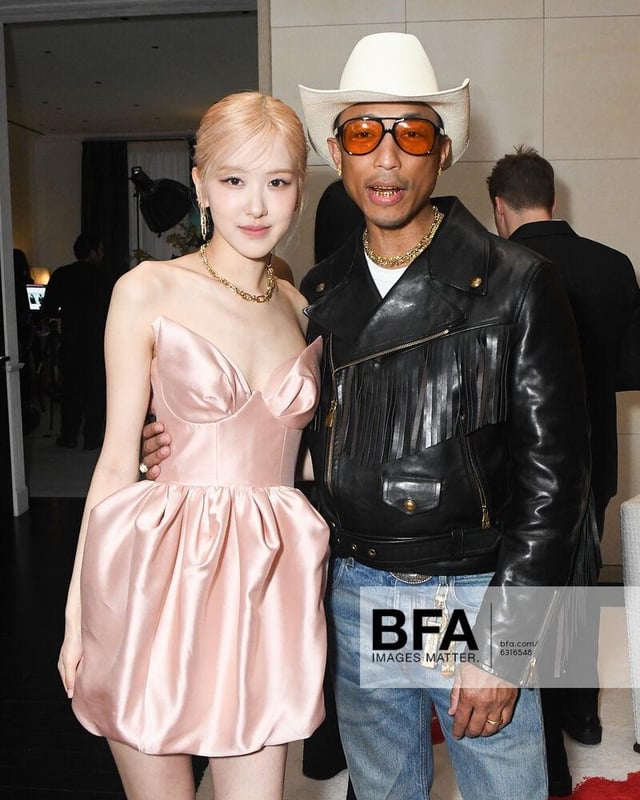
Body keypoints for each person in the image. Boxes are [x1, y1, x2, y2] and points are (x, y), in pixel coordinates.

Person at [142, 34, 593, 799]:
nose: (387, 159)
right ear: (336, 152)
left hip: (468, 594)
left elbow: (558, 483)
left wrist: (508, 643)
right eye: (363, 134)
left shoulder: (515, 282)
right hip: (355, 589)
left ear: (441, 152)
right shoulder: (318, 294)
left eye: (411, 133)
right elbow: (296, 439)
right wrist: (182, 446)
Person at [58, 91, 329, 800]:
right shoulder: (146, 289)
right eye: (234, 180)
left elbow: (298, 454)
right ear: (201, 183)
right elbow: (115, 462)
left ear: (300, 190)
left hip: (267, 584)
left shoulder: (301, 307)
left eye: (277, 181)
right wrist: (76, 611)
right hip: (156, 578)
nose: (256, 205)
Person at [487, 145, 640, 795]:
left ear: (500, 206)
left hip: (520, 462)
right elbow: (632, 370)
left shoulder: (496, 267)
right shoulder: (613, 264)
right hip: (595, 453)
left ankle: (536, 713)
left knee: (527, 583)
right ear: (552, 197)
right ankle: (581, 712)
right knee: (579, 576)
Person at [41, 233, 114, 449]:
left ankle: (69, 435)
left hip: (71, 341)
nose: (102, 255)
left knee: (71, 390)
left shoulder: (62, 275)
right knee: (96, 391)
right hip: (98, 342)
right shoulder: (106, 277)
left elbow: (48, 309)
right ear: (92, 252)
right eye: (100, 250)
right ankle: (92, 437)